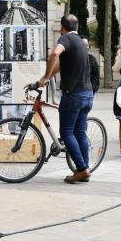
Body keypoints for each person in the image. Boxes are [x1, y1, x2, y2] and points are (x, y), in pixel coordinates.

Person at [35, 14, 93, 183]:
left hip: (73, 94)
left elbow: (54, 54)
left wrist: (46, 77)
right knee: (80, 132)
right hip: (87, 94)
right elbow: (59, 66)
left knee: (67, 132)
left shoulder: (65, 39)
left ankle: (81, 169)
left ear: (63, 28)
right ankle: (85, 168)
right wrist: (43, 80)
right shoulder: (81, 44)